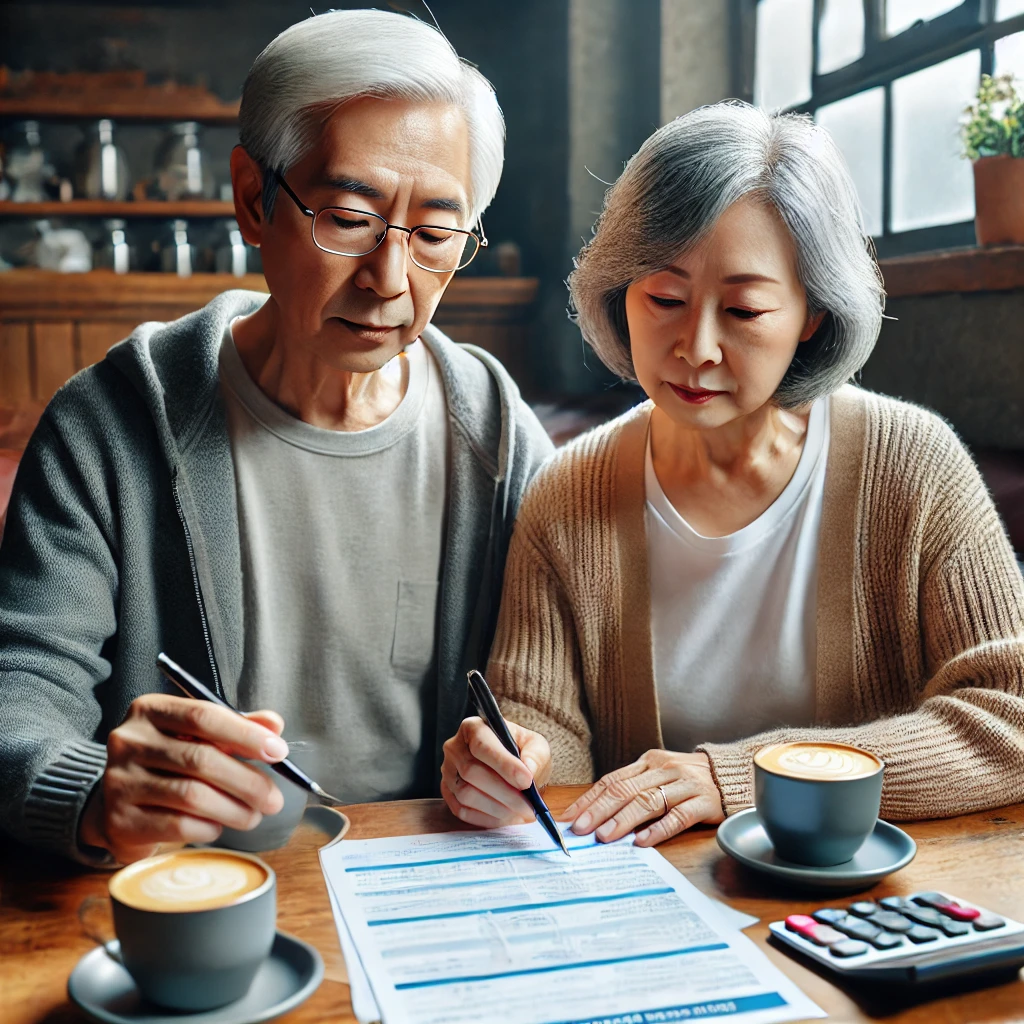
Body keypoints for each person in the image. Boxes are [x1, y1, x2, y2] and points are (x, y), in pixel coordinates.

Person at [0, 9, 552, 866]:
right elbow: (20, 692)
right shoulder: (108, 425)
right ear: (253, 199)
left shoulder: (494, 429)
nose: (389, 279)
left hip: (426, 874)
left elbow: (559, 680)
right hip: (196, 882)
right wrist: (95, 793)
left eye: (436, 234)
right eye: (349, 217)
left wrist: (534, 752)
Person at [441, 102, 1024, 846]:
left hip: (872, 893)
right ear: (620, 293)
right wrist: (510, 766)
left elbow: (1011, 715)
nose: (697, 347)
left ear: (812, 315)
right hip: (658, 896)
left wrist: (740, 777)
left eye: (744, 310)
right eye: (665, 299)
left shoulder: (913, 465)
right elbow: (543, 732)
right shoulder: (566, 494)